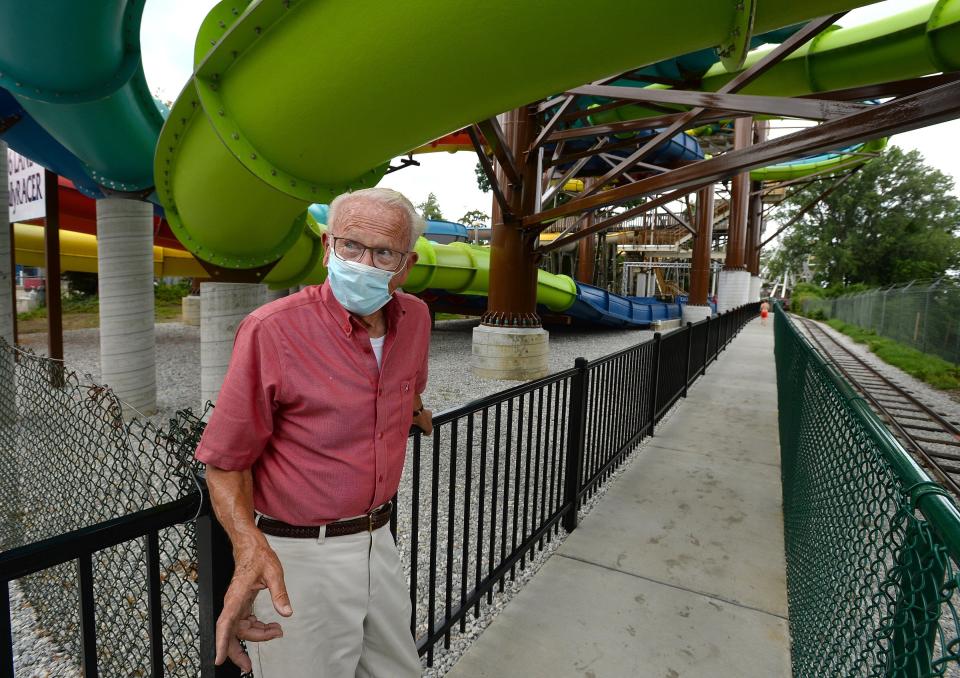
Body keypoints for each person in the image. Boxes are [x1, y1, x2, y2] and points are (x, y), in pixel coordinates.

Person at [195, 187, 433, 677]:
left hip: (380, 540)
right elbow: (224, 461)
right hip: (300, 557)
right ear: (327, 246)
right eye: (351, 245)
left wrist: (413, 410)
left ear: (404, 265)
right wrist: (249, 547)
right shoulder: (272, 330)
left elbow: (405, 389)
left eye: (384, 252)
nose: (364, 263)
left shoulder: (416, 320)